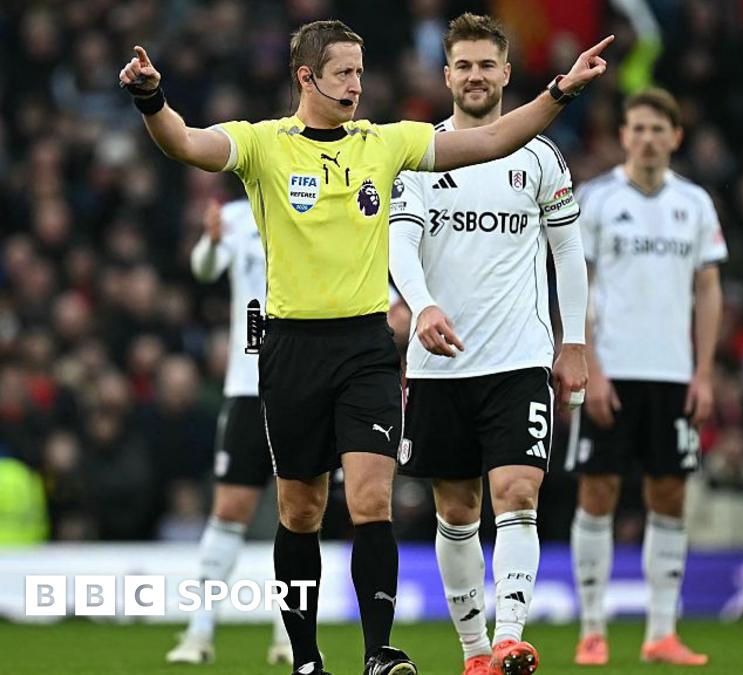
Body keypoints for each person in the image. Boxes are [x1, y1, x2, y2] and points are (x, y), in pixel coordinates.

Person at [118, 20, 612, 675]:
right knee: (301, 509)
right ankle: (305, 658)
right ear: (307, 77)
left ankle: (380, 652)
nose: (358, 83)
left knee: (372, 498)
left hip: (366, 346)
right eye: (345, 72)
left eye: (360, 70)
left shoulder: (385, 144)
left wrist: (561, 92)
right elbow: (182, 142)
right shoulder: (262, 144)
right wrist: (151, 98)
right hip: (292, 348)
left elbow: (494, 136)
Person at [387, 13, 588, 675]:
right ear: (446, 76)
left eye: (486, 64)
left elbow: (568, 251)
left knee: (518, 493)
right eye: (463, 65)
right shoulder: (419, 153)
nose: (475, 76)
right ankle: (475, 653)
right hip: (440, 363)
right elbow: (401, 245)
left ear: (507, 72)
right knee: (457, 507)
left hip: (519, 360)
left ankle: (508, 637)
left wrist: (574, 339)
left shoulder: (538, 157)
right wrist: (423, 307)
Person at [566, 88, 725, 667]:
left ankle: (661, 632)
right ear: (623, 135)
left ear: (675, 137)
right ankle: (591, 629)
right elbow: (574, 285)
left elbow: (707, 290)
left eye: (658, 129)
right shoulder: (598, 199)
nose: (647, 138)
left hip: (672, 374)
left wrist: (703, 373)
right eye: (637, 128)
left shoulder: (695, 204)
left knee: (669, 495)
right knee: (599, 490)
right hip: (612, 370)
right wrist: (591, 365)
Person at [166, 198, 290, 665]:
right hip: (247, 387)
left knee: (299, 512)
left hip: (303, 386)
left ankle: (289, 633)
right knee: (230, 509)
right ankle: (199, 632)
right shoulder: (238, 216)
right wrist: (212, 238)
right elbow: (204, 268)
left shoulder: (320, 204)